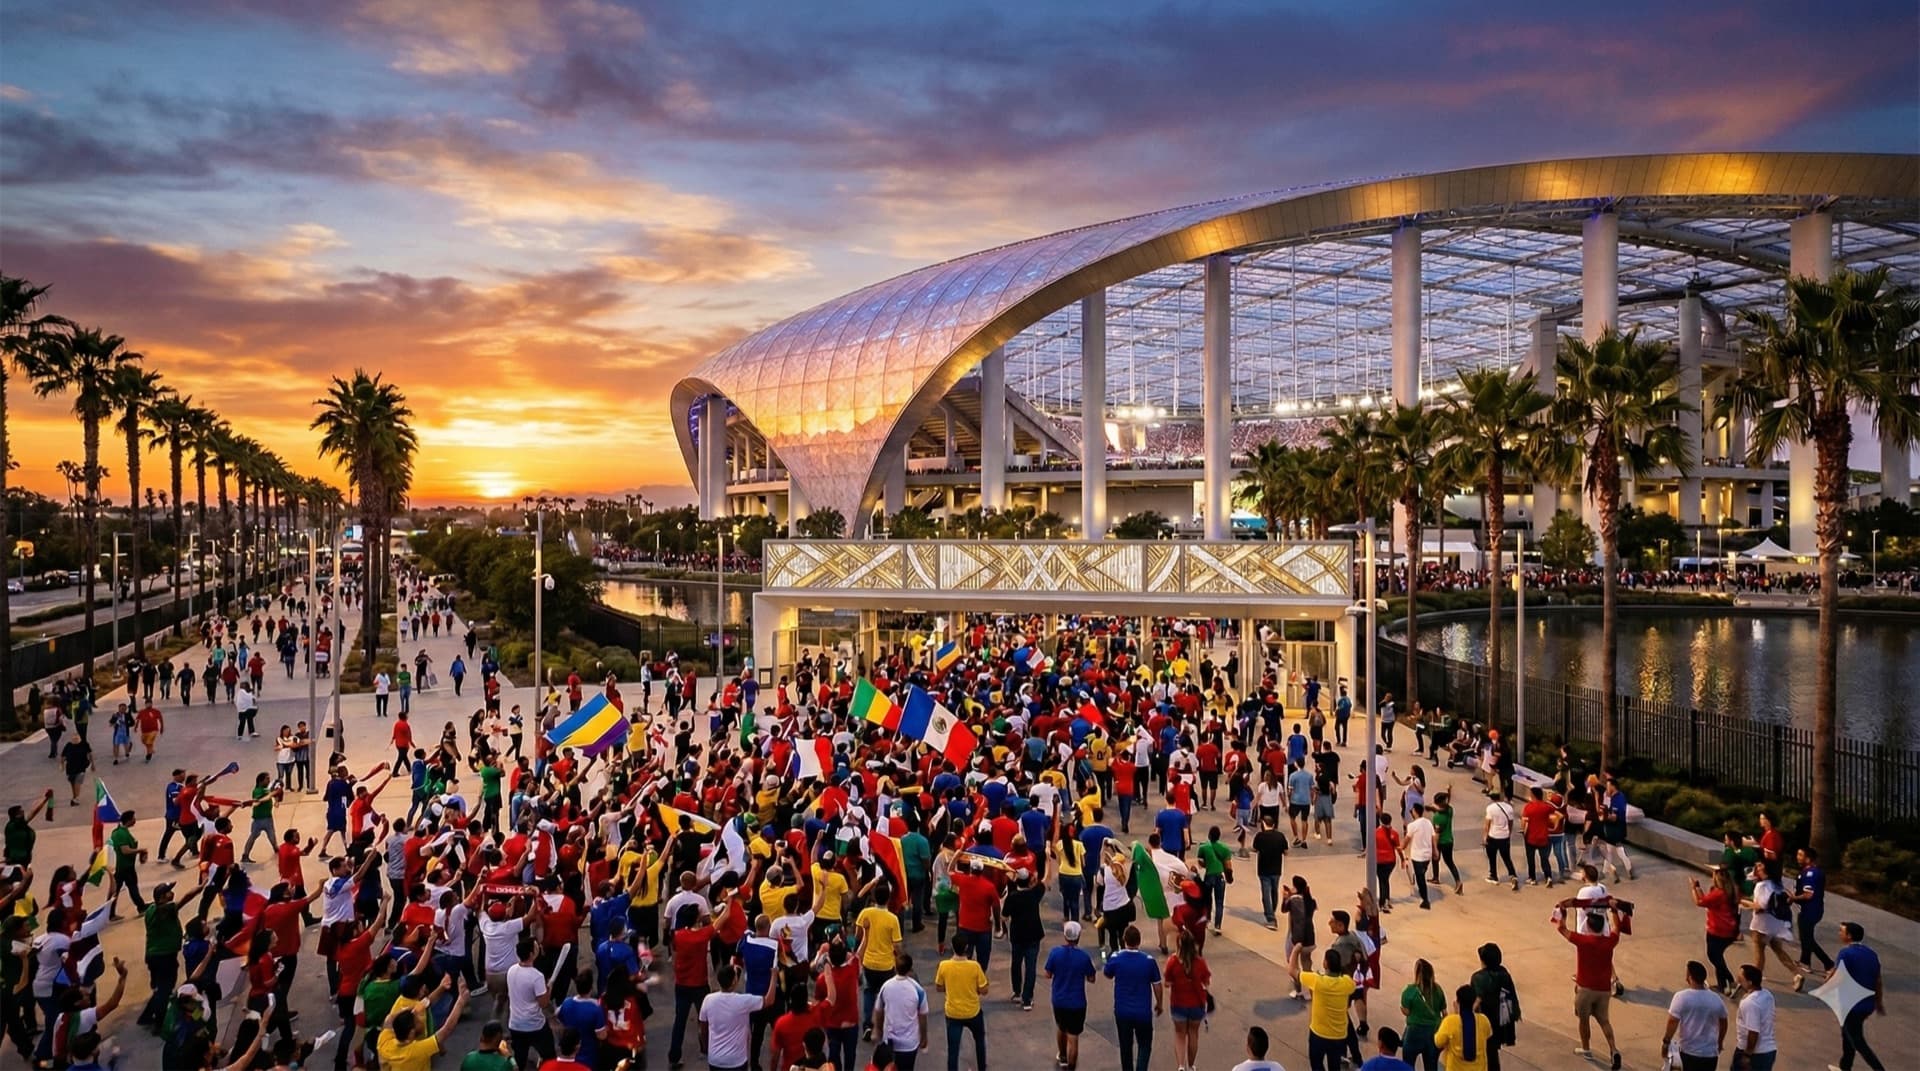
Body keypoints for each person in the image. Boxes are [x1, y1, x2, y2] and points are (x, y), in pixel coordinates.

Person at [1556, 900, 1622, 1070]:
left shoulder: (1583, 941)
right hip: (1604, 989)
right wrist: (1614, 911)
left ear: (1589, 927)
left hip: (1585, 988)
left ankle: (1586, 1050)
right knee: (1604, 1021)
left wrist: (1563, 915)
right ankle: (1613, 1049)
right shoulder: (1610, 941)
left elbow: (1561, 929)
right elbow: (1617, 928)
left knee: (1583, 1020)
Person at [378, 976, 472, 1071]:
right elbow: (447, 1029)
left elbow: (388, 1019)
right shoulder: (418, 1050)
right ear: (411, 1033)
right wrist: (461, 1001)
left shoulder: (385, 1042)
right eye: (418, 1021)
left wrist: (413, 1009)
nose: (421, 1021)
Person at [1103, 924, 1162, 1071]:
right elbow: (1157, 985)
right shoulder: (1148, 961)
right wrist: (1159, 1003)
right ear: (1139, 941)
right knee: (1145, 1044)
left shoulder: (1117, 958)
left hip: (1122, 1012)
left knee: (1125, 1046)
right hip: (1142, 1012)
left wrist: (1104, 956)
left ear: (1124, 940)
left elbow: (1107, 973)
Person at [1830, 921, 1884, 1071]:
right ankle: (1845, 1067)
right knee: (1848, 1035)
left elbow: (1837, 976)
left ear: (1849, 936)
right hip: (1867, 1004)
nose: (1839, 934)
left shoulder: (1846, 953)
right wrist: (1878, 1002)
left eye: (1841, 931)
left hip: (1851, 1005)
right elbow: (1878, 980)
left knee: (1857, 1041)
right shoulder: (1872, 954)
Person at [1741, 857, 1804, 986]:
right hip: (1776, 923)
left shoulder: (1762, 885)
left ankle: (1754, 980)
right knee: (1778, 949)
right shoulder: (1777, 884)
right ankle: (1797, 973)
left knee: (1759, 951)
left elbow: (1761, 906)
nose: (1756, 868)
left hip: (1761, 924)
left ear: (1763, 868)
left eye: (1758, 866)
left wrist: (1744, 902)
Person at [1043, 920, 1097, 1071]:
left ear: (1065, 936)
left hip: (1059, 1000)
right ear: (1078, 936)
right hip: (1077, 1002)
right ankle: (1071, 1067)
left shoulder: (1055, 953)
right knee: (1074, 1036)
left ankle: (1062, 1056)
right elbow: (1092, 978)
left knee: (1061, 1027)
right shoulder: (1083, 957)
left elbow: (1047, 974)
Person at [701, 963, 775, 1071]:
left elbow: (703, 1029)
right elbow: (769, 1000)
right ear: (734, 982)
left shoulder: (708, 999)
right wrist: (774, 975)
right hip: (736, 1061)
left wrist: (707, 1049)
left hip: (715, 1060)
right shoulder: (743, 1001)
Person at [1292, 947, 1355, 1071]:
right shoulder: (1347, 983)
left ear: (1325, 963)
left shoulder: (1317, 981)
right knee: (1335, 1066)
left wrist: (1295, 950)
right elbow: (1349, 978)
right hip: (1338, 1035)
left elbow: (1292, 970)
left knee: (1316, 1064)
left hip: (1319, 1033)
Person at [933, 936, 988, 1071]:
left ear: (952, 947)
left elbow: (939, 987)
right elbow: (984, 990)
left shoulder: (944, 966)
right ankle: (982, 1067)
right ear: (966, 948)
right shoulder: (974, 967)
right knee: (980, 1041)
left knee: (953, 1049)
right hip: (973, 1012)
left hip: (953, 1013)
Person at [1661, 961, 1726, 1071]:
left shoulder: (1681, 997)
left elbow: (1672, 1021)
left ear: (1689, 977)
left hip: (1688, 1051)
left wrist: (1666, 1042)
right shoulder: (1716, 999)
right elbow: (1724, 1022)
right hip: (1710, 1054)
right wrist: (1719, 1042)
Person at [1690, 866, 1742, 994]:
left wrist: (1693, 888)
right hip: (1730, 930)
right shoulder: (1731, 891)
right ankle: (1722, 985)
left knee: (1713, 956)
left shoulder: (1719, 893)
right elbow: (1707, 901)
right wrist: (1699, 889)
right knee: (1718, 956)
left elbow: (1700, 902)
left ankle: (1730, 981)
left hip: (1717, 930)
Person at [871, 954, 927, 1071]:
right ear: (910, 969)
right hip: (909, 1044)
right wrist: (924, 1037)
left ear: (895, 968)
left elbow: (878, 1010)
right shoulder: (918, 990)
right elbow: (922, 1016)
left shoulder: (886, 986)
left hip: (889, 1042)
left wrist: (878, 1030)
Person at [1164, 931, 1210, 1071]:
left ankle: (1181, 1066)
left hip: (1178, 1004)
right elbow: (1206, 982)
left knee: (1180, 1035)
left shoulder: (1173, 961)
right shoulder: (1200, 962)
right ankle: (1191, 1065)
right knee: (1193, 1034)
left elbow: (1167, 982)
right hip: (1197, 1005)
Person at [1790, 846, 1833, 977]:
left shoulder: (1811, 874)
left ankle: (1828, 964)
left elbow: (1808, 895)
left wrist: (1793, 898)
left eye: (1800, 855)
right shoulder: (1806, 871)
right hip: (1809, 909)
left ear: (1808, 858)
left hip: (1811, 910)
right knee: (1805, 937)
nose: (1798, 857)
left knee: (1807, 939)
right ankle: (1805, 962)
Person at [1399, 959, 1445, 1071]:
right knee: (1431, 1066)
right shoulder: (1438, 990)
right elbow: (1444, 1012)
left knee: (1408, 1066)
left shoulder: (1410, 991)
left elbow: (1407, 1011)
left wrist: (1403, 1010)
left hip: (1414, 1032)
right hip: (1433, 1032)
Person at [1730, 964, 1776, 1071]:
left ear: (1750, 982)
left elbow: (1753, 1032)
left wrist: (1747, 1055)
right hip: (1768, 1051)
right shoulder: (1767, 995)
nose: (1738, 980)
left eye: (1741, 978)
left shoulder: (1750, 1003)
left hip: (1754, 1054)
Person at [1433, 986, 1489, 1071]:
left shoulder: (1450, 1021)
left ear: (1458, 1002)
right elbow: (1488, 1035)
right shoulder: (1484, 1020)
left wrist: (1455, 1013)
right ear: (1474, 1002)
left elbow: (1438, 1042)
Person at [1251, 815, 1289, 929]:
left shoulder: (1260, 836)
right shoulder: (1280, 836)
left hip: (1263, 869)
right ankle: (1272, 910)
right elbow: (1286, 852)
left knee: (1266, 894)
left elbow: (1254, 849)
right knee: (1274, 891)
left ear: (1263, 824)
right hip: (1276, 868)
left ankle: (1271, 918)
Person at [1480, 793, 1518, 891]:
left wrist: (1484, 838)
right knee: (1506, 857)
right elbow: (1511, 822)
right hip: (1504, 836)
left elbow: (1487, 824)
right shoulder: (1509, 808)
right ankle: (1513, 875)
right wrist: (1508, 833)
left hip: (1493, 836)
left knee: (1492, 857)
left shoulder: (1490, 808)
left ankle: (1493, 876)